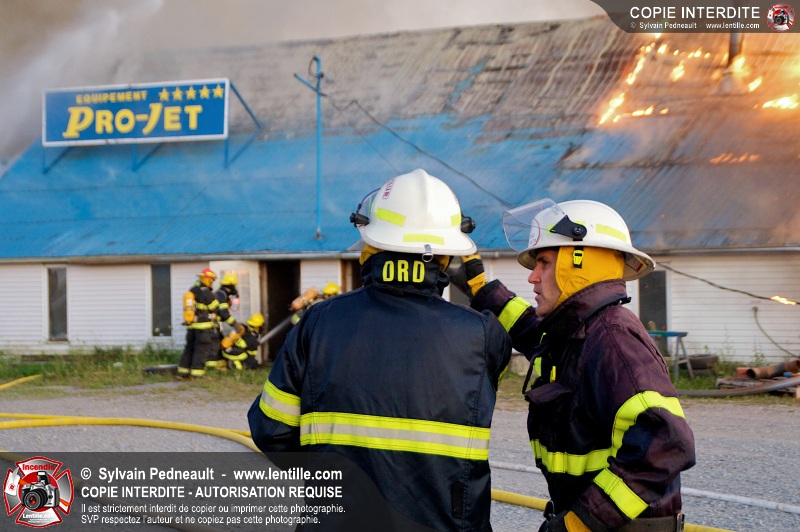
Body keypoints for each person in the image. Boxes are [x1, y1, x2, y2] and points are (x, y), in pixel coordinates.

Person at [248, 169, 512, 531]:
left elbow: (272, 431)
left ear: (371, 244)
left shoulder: (318, 323)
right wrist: (484, 290)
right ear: (447, 256)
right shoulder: (483, 335)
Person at [455, 199, 696, 531]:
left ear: (579, 263)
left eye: (544, 263)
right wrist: (483, 290)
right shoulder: (577, 333)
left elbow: (665, 442)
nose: (533, 277)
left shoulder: (612, 339)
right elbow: (531, 331)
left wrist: (580, 522)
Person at [177, 268, 219, 379]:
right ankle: (196, 375)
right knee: (201, 351)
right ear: (209, 279)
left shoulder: (192, 290)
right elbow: (215, 309)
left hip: (191, 327)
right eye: (212, 280)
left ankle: (182, 373)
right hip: (203, 328)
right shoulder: (206, 293)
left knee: (189, 349)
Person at [206, 273, 240, 371]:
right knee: (214, 345)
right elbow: (224, 313)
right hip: (212, 324)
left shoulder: (221, 294)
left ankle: (220, 364)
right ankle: (212, 368)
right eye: (234, 286)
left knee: (219, 342)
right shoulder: (221, 295)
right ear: (230, 286)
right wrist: (235, 324)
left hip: (214, 324)